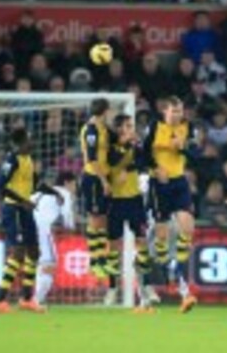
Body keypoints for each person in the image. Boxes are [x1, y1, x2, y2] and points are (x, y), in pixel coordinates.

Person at [0, 128, 62, 314]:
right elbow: (0, 186)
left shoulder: (28, 160)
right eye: (29, 139)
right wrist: (23, 201)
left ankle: (27, 299)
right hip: (13, 209)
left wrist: (54, 193)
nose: (32, 142)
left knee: (34, 251)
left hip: (25, 209)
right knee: (18, 253)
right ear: (20, 143)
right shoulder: (11, 160)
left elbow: (36, 184)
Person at [143, 96, 200, 313]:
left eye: (180, 111)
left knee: (188, 226)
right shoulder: (154, 127)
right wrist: (154, 169)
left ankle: (176, 268)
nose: (178, 115)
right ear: (164, 111)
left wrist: (183, 147)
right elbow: (141, 153)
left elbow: (196, 154)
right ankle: (169, 269)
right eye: (174, 111)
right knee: (162, 236)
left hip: (179, 182)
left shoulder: (189, 128)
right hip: (158, 184)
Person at [103, 114, 156, 311]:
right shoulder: (109, 147)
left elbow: (143, 162)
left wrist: (133, 154)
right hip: (115, 201)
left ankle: (147, 286)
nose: (131, 129)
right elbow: (112, 161)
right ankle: (112, 287)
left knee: (142, 242)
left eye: (131, 126)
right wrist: (127, 148)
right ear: (118, 129)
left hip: (135, 200)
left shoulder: (136, 146)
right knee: (114, 247)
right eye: (127, 126)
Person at [79, 98, 113, 278]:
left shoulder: (104, 129)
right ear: (105, 111)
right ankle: (94, 261)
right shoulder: (91, 130)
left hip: (103, 177)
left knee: (103, 219)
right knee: (95, 219)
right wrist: (104, 181)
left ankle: (101, 259)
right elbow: (91, 159)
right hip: (93, 178)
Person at [33, 172, 76, 308]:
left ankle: (29, 298)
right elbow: (68, 221)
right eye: (74, 185)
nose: (75, 188)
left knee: (35, 265)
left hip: (27, 227)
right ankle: (35, 301)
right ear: (67, 183)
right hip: (42, 230)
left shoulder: (39, 193)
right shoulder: (64, 193)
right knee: (49, 264)